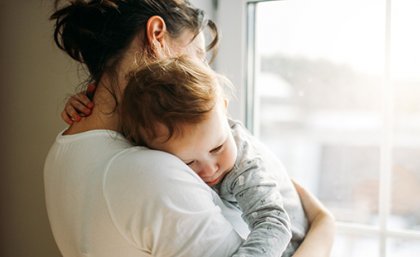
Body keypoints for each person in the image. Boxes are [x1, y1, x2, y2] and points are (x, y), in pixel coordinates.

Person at [45, 0, 335, 257]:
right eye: (198, 54)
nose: (204, 73)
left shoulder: (67, 149)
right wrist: (324, 226)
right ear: (156, 36)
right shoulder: (148, 171)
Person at [119, 56, 308, 257]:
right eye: (188, 162)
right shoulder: (160, 143)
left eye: (217, 148)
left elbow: (275, 224)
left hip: (291, 244)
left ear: (225, 109)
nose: (209, 169)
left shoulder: (246, 166)